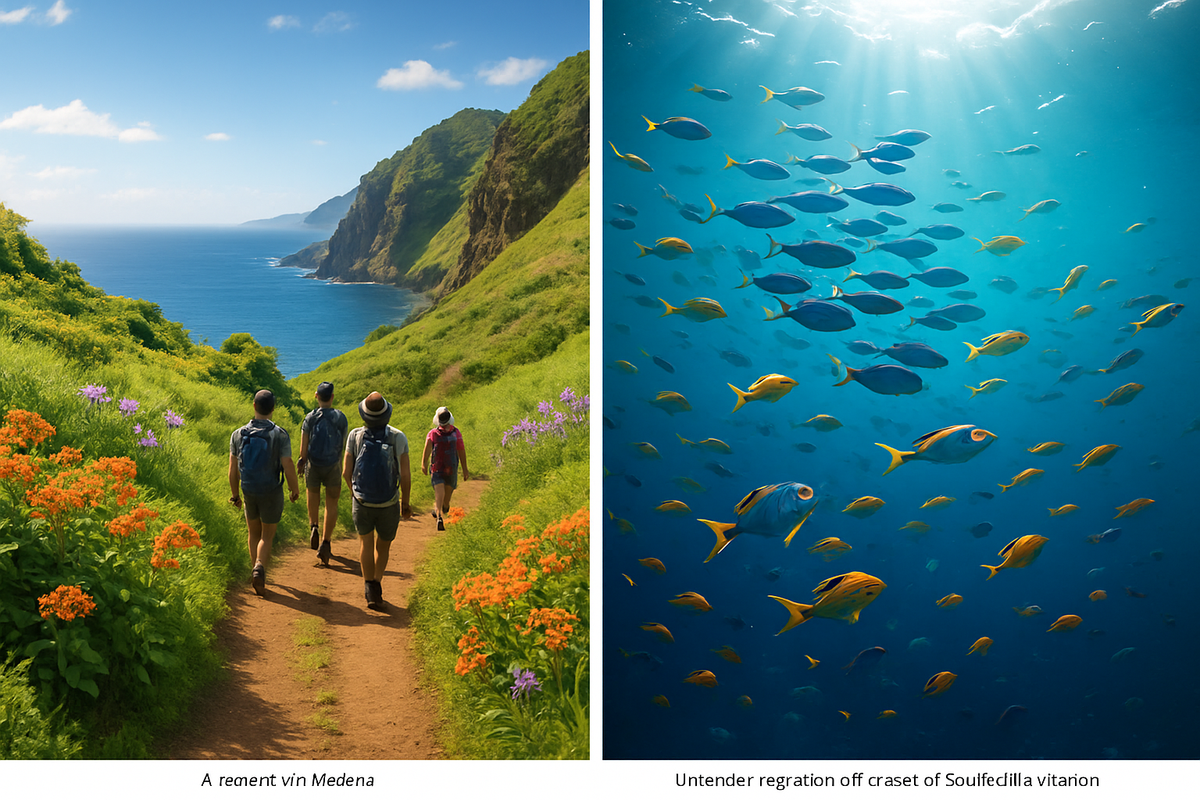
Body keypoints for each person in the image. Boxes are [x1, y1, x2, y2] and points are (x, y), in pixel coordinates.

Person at [343, 391, 411, 610]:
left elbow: (346, 472)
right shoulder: (398, 437)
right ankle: (377, 581)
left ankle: (369, 586)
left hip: (362, 500)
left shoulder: (354, 436)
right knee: (383, 545)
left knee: (365, 542)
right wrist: (405, 503)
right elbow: (406, 475)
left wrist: (354, 493)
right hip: (389, 501)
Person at [229, 389, 300, 596]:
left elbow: (232, 470)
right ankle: (260, 567)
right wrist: (294, 489)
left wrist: (235, 495)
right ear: (273, 409)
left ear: (254, 406)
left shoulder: (238, 434)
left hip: (248, 488)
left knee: (253, 533)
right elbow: (287, 464)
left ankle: (255, 570)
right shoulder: (279, 434)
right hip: (271, 489)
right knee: (266, 536)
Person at [296, 381, 348, 566]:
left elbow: (304, 448)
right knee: (331, 503)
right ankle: (326, 541)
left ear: (316, 396)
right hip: (333, 464)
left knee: (313, 495)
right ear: (332, 397)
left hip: (314, 464)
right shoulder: (341, 418)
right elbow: (343, 444)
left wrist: (302, 461)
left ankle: (314, 526)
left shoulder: (309, 418)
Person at [421, 406, 469, 531]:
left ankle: (439, 510)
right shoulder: (449, 433)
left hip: (444, 468)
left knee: (443, 497)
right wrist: (424, 464)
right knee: (442, 495)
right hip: (443, 469)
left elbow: (461, 451)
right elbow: (461, 451)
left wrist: (423, 464)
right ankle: (439, 517)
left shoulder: (442, 433)